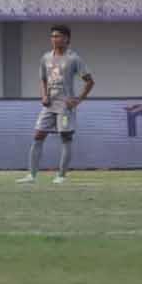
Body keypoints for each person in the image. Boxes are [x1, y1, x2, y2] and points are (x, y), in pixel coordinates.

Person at [22, 24, 94, 185]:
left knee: (65, 137)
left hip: (65, 107)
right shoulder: (46, 58)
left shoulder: (74, 58)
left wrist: (77, 100)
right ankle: (31, 175)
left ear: (66, 38)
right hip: (49, 105)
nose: (54, 39)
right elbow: (43, 79)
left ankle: (61, 175)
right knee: (38, 135)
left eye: (58, 36)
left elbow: (89, 81)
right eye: (52, 36)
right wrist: (44, 95)